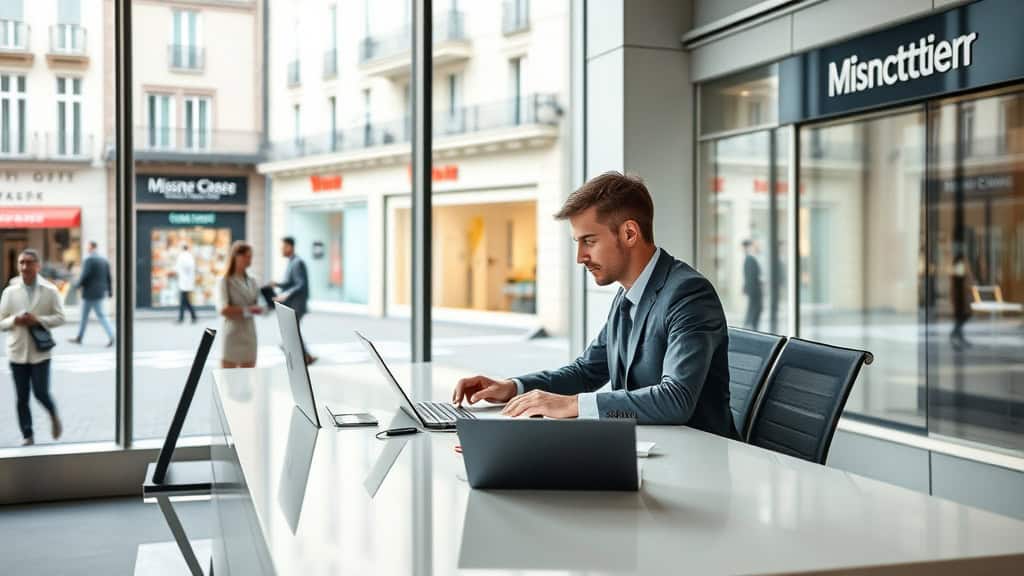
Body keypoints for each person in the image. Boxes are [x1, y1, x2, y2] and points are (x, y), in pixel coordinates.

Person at [452, 172, 736, 436]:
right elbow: (586, 371)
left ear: (629, 234)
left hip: (698, 460)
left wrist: (572, 405)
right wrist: (513, 387)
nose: (580, 257)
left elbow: (676, 399)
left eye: (589, 241)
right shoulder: (628, 294)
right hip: (649, 445)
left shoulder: (688, 294)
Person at [0, 249, 66, 446]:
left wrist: (39, 320)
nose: (24, 267)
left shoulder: (50, 290)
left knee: (40, 393)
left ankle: (53, 415)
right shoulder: (10, 291)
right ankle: (27, 434)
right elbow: (1, 321)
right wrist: (14, 320)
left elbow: (60, 318)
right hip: (16, 351)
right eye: (21, 263)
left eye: (29, 263)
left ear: (37, 266)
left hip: (40, 352)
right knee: (22, 397)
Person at [216, 241, 263, 368]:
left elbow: (259, 306)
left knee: (249, 380)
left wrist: (265, 305)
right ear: (237, 256)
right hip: (232, 335)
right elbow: (223, 310)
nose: (250, 260)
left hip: (249, 334)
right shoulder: (225, 281)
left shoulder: (252, 280)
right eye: (247, 256)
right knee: (228, 380)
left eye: (251, 256)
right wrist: (248, 310)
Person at [271, 237, 314, 364]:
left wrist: (286, 295)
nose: (281, 250)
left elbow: (300, 284)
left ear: (290, 247)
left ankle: (302, 357)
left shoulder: (297, 262)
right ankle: (306, 356)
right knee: (293, 331)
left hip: (297, 304)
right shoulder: (292, 262)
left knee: (291, 331)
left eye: (283, 247)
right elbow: (291, 282)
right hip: (293, 303)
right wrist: (277, 284)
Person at [69, 241, 115, 347]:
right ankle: (79, 337)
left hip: (89, 293)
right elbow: (109, 277)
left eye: (88, 247)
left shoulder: (89, 260)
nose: (87, 248)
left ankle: (111, 335)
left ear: (92, 247)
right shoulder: (104, 260)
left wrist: (77, 286)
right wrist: (110, 291)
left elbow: (85, 275)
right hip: (100, 292)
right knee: (94, 315)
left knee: (96, 316)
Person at [742, 239, 763, 331]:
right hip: (754, 288)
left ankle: (749, 325)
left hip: (753, 288)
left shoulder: (750, 258)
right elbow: (750, 275)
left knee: (753, 307)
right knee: (755, 307)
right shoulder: (750, 259)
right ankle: (751, 325)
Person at [175, 243, 198, 324]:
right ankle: (193, 316)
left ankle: (182, 318)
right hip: (187, 282)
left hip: (184, 282)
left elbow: (178, 268)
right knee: (185, 301)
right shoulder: (190, 256)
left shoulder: (182, 256)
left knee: (183, 301)